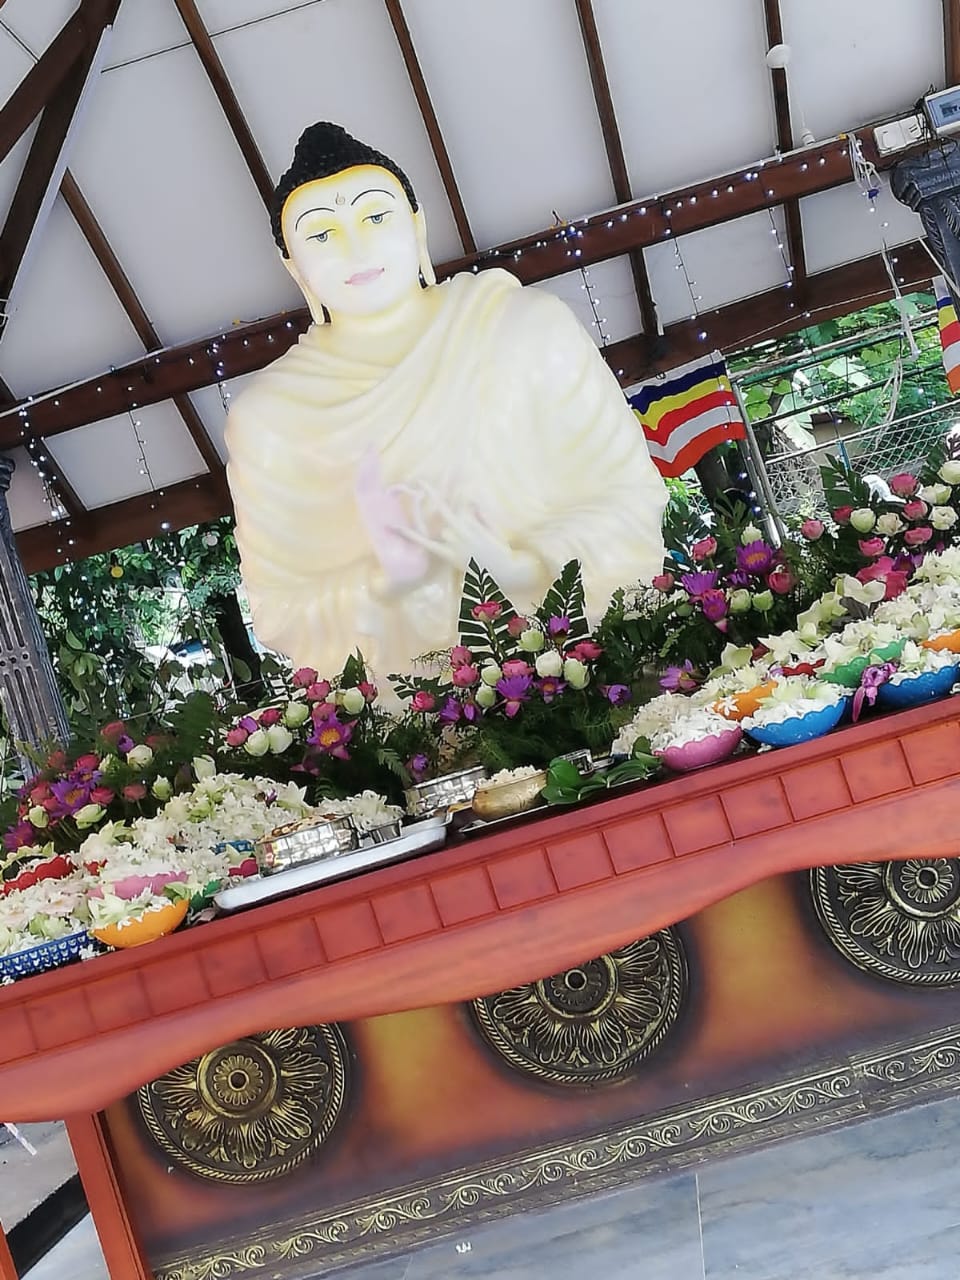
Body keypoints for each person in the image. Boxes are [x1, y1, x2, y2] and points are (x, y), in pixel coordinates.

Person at [225, 123, 667, 682]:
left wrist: (523, 567)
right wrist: (394, 587)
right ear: (293, 266)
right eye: (321, 235)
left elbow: (632, 495)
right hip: (422, 703)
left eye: (375, 218)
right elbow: (280, 609)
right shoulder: (270, 419)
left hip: (593, 668)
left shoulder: (524, 327)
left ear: (417, 226)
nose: (356, 247)